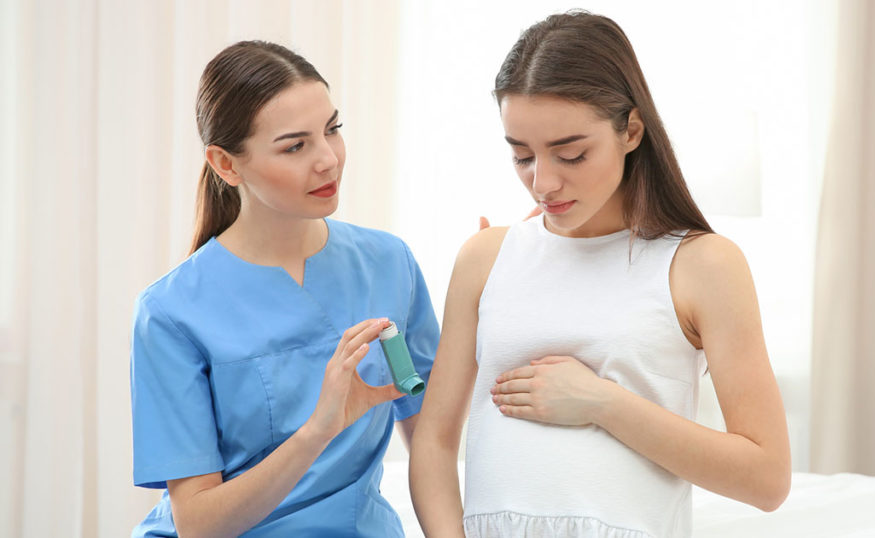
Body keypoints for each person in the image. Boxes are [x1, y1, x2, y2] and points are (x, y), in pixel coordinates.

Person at [410, 11, 791, 538]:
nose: (543, 183)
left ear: (631, 130)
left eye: (571, 153)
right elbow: (432, 442)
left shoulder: (702, 265)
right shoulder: (486, 257)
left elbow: (766, 480)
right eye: (522, 156)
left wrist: (599, 402)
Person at [130, 40, 439, 537]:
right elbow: (198, 524)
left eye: (332, 130)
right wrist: (318, 431)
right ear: (226, 164)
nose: (328, 160)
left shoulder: (389, 263)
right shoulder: (171, 312)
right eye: (295, 146)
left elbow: (433, 443)